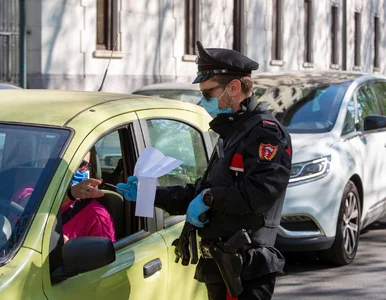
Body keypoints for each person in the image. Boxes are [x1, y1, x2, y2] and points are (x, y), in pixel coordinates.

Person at [117, 41, 292, 300]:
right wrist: (152, 193)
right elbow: (204, 190)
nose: (203, 100)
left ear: (234, 88)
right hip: (221, 263)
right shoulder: (233, 131)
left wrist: (209, 199)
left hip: (247, 268)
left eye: (209, 93)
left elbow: (259, 195)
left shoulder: (265, 133)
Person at [61, 149, 116, 242]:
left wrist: (69, 253)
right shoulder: (31, 195)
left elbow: (104, 255)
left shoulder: (97, 215)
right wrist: (68, 194)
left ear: (90, 170)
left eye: (80, 164)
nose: (70, 170)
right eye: (60, 164)